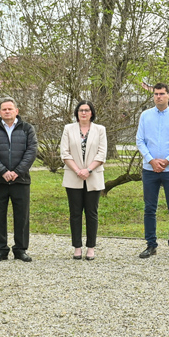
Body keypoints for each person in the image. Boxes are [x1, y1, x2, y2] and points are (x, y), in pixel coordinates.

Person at [0, 97, 37, 264]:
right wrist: (3, 172)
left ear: (16, 111)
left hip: (20, 180)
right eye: (4, 109)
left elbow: (31, 151)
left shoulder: (27, 129)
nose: (7, 111)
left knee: (22, 216)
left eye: (10, 109)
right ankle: (1, 250)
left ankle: (20, 250)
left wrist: (17, 172)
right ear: (0, 112)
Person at [136, 83, 169, 259]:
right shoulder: (145, 116)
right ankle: (151, 245)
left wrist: (167, 160)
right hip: (149, 169)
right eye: (156, 94)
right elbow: (140, 140)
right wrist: (151, 160)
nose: (159, 96)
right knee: (150, 208)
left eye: (162, 93)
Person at [60, 101, 108, 260]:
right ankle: (77, 247)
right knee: (75, 213)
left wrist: (88, 170)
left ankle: (91, 247)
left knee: (91, 213)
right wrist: (77, 170)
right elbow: (65, 153)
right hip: (73, 176)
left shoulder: (100, 130)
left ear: (92, 113)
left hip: (93, 176)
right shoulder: (68, 129)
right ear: (77, 112)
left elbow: (102, 153)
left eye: (87, 110)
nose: (84, 113)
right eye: (81, 110)